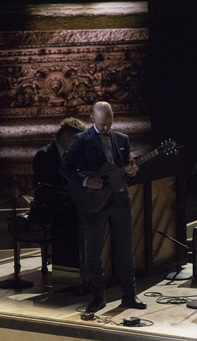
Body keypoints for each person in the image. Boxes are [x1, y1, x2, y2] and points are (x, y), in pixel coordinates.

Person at [60, 101, 146, 313]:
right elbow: (65, 168)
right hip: (93, 201)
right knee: (94, 251)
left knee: (126, 249)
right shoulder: (81, 139)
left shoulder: (122, 139)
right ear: (92, 119)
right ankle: (98, 297)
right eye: (101, 124)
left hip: (119, 199)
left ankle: (129, 296)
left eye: (109, 123)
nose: (106, 128)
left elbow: (123, 170)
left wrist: (131, 171)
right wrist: (85, 181)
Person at [30, 117, 86, 272]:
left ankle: (84, 265)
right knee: (71, 217)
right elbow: (48, 184)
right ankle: (68, 272)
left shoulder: (71, 155)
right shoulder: (44, 154)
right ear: (65, 136)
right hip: (46, 205)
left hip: (65, 203)